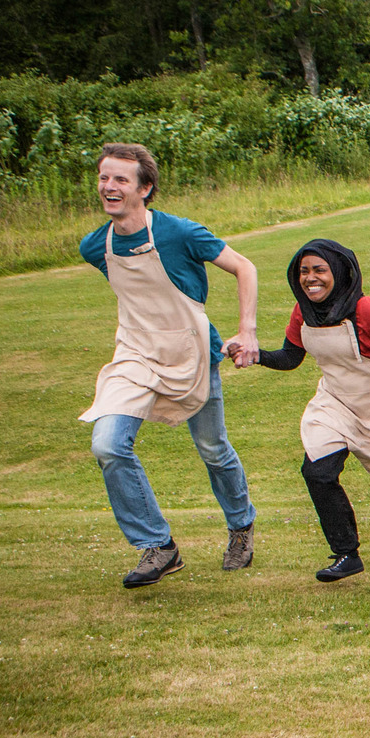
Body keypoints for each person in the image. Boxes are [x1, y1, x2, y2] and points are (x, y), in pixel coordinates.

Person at [81, 142, 259, 589]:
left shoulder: (179, 233)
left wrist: (247, 330)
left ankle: (241, 527)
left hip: (193, 354)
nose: (109, 186)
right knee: (107, 444)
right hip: (135, 356)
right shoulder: (94, 246)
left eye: (121, 179)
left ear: (146, 187)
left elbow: (244, 267)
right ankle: (158, 546)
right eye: (105, 177)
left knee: (213, 450)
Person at [243, 240, 370, 581]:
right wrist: (256, 354)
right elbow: (291, 358)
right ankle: (346, 553)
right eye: (304, 271)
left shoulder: (367, 311)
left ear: (338, 271)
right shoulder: (302, 311)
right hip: (334, 403)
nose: (310, 278)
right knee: (317, 472)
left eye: (319, 270)